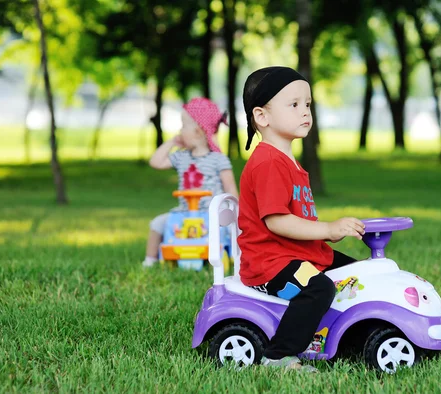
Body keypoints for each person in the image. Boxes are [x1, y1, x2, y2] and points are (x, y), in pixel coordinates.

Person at [237, 66, 365, 371]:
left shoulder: (287, 160)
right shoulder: (268, 162)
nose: (305, 111)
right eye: (293, 105)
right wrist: (328, 229)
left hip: (296, 252)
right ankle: (279, 355)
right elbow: (277, 222)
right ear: (262, 116)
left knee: (358, 274)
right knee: (319, 288)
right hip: (271, 263)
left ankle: (344, 332)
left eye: (307, 104)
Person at [142, 97, 238, 267]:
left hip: (212, 215)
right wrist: (172, 142)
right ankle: (150, 260)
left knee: (235, 229)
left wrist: (235, 213)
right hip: (184, 213)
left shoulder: (218, 159)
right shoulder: (181, 157)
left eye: (183, 126)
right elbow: (155, 162)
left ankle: (238, 257)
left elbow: (230, 188)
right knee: (157, 223)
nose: (180, 130)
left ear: (198, 131)